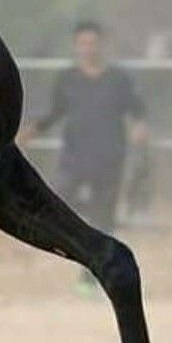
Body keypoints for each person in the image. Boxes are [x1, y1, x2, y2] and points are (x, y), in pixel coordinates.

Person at [19, 20, 149, 237]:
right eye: (83, 43)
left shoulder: (118, 79)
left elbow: (136, 108)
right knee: (62, 200)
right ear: (76, 46)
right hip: (75, 155)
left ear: (102, 44)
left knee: (104, 216)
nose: (88, 48)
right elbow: (56, 110)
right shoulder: (68, 78)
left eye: (93, 43)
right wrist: (33, 130)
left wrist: (139, 126)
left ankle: (95, 266)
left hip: (109, 156)